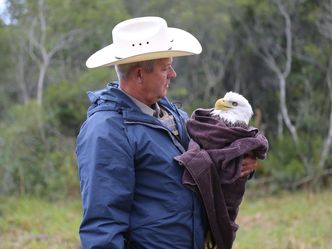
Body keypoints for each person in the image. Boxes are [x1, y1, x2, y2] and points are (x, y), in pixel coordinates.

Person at [76, 16, 258, 249]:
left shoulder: (176, 116)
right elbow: (103, 224)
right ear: (140, 74)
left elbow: (206, 165)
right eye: (165, 68)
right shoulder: (106, 131)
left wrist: (239, 163)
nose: (173, 74)